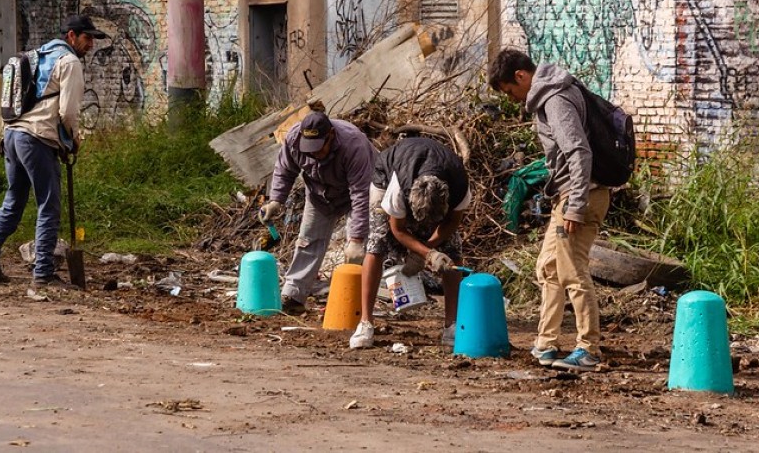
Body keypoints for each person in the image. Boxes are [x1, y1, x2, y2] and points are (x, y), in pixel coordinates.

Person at [488, 48, 611, 372]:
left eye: (510, 91)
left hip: (580, 197)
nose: (512, 98)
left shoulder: (555, 99)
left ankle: (589, 349)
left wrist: (575, 206)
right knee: (549, 266)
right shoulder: (551, 94)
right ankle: (546, 343)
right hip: (567, 197)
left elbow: (579, 152)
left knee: (573, 271)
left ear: (521, 76)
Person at [0, 15, 107, 290]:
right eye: (87, 38)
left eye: (93, 39)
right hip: (36, 138)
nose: (91, 44)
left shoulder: (38, 55)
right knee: (49, 205)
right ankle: (44, 273)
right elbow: (67, 112)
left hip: (12, 136)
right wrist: (73, 139)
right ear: (71, 36)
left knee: (14, 201)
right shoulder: (69, 62)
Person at [349, 137, 471, 350]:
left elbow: (452, 222)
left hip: (434, 171)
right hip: (387, 175)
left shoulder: (460, 185)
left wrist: (429, 249)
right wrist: (428, 254)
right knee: (377, 243)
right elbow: (397, 229)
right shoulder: (398, 188)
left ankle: (451, 325)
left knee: (453, 249)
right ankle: (365, 323)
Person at [259, 110, 375, 314]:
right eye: (309, 148)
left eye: (318, 148)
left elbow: (361, 194)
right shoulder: (294, 139)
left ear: (331, 135)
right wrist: (276, 201)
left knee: (358, 250)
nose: (313, 153)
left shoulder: (353, 145)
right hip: (319, 194)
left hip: (356, 195)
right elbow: (285, 170)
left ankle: (353, 304)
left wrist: (357, 239)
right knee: (307, 241)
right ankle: (293, 295)